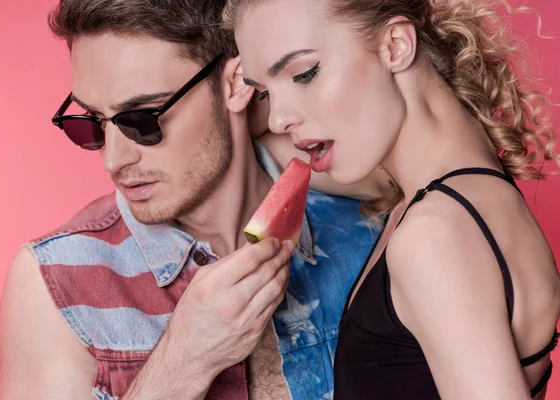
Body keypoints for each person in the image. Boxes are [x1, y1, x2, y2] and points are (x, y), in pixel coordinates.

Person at [0, 0, 391, 399]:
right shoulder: (56, 279)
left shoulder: (368, 233)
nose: (113, 160)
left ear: (235, 84)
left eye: (143, 119)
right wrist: (183, 361)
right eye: (92, 123)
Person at [224, 0, 560, 398]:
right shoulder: (472, 195)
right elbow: (263, 149)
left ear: (396, 46)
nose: (279, 118)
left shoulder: (433, 235)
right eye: (264, 93)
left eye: (304, 73)